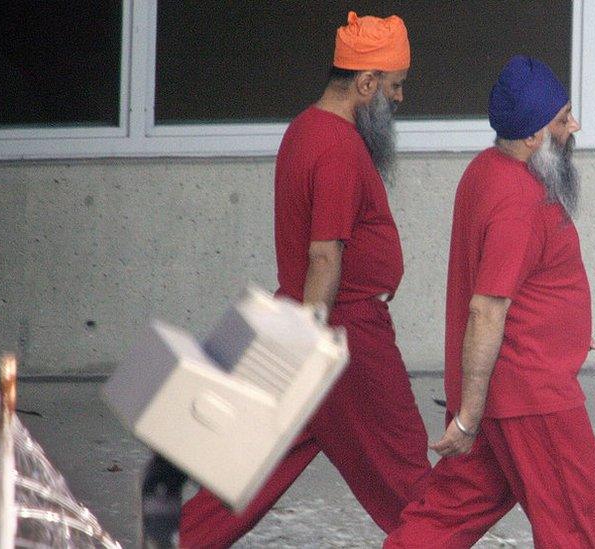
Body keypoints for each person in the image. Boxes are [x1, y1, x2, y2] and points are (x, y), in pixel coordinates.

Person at [178, 12, 431, 548]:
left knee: (241, 477)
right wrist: (311, 350)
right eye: (395, 86)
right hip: (342, 334)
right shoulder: (338, 146)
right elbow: (324, 256)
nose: (400, 100)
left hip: (294, 318)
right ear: (366, 83)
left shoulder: (302, 129)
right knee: (411, 482)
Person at [384, 56, 595, 548]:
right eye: (563, 119)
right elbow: (487, 308)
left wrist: (475, 404)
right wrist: (468, 417)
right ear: (533, 135)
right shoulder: (518, 201)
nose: (574, 127)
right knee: (577, 524)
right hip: (530, 398)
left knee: (448, 514)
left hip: (499, 392)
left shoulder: (487, 171)